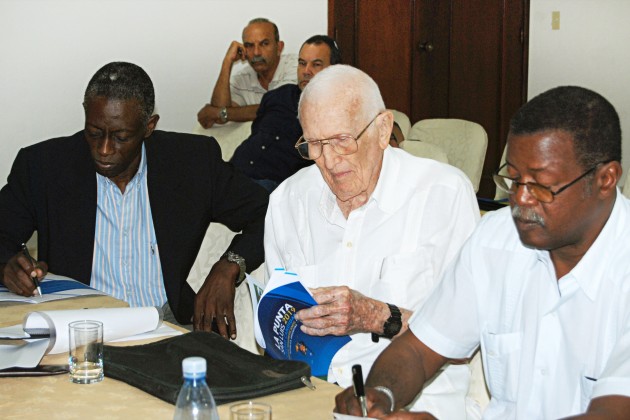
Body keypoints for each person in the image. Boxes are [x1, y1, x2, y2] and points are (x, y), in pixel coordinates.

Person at [335, 86, 630, 419]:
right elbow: (418, 350)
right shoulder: (497, 239)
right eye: (514, 180)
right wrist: (381, 397)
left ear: (606, 180)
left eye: (541, 186)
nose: (520, 200)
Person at [264, 65, 482, 417]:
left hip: (414, 406)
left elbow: (467, 337)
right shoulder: (289, 200)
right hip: (312, 398)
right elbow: (276, 322)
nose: (330, 162)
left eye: (342, 141)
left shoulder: (442, 194)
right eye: (315, 145)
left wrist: (376, 315)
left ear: (383, 129)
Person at [0, 62, 269, 340]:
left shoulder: (192, 162)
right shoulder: (43, 167)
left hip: (167, 324)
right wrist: (5, 264)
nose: (104, 149)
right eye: (94, 133)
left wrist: (229, 266)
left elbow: (267, 213)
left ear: (148, 126)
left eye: (121, 137)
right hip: (79, 327)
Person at [230, 35, 341, 192]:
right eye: (302, 64)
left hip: (271, 187)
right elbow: (255, 133)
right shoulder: (278, 96)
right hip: (231, 173)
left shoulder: (339, 112)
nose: (306, 71)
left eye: (316, 65)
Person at [197, 18, 297, 129]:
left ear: (279, 47)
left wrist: (222, 113)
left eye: (264, 44)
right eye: (249, 45)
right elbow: (216, 119)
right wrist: (227, 62)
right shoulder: (242, 78)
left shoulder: (297, 66)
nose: (256, 52)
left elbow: (279, 109)